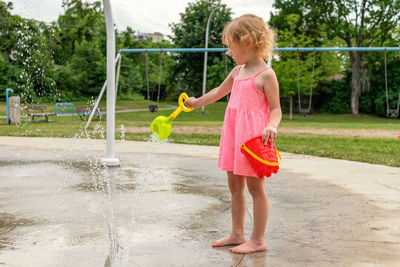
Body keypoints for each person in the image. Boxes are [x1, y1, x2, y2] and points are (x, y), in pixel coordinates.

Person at [184, 14, 282, 254]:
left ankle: (258, 239)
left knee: (255, 189)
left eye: (232, 47)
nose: (229, 53)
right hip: (233, 135)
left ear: (248, 42)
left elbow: (276, 109)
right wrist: (197, 102)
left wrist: (272, 126)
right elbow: (219, 91)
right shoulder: (237, 72)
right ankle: (237, 233)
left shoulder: (266, 75)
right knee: (234, 186)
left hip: (251, 141)